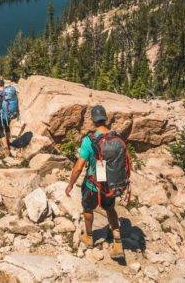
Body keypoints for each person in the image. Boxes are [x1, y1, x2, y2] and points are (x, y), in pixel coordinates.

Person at [65, 105, 129, 260]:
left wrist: (71, 184)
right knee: (110, 209)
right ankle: (118, 243)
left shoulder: (89, 140)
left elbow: (79, 167)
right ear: (105, 119)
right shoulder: (117, 137)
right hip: (111, 184)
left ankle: (89, 237)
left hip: (93, 184)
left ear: (92, 120)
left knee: (88, 208)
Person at [0, 78, 18, 156]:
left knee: (0, 129)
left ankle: (6, 148)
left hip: (1, 115)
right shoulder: (9, 91)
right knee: (7, 127)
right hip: (10, 114)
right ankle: (8, 142)